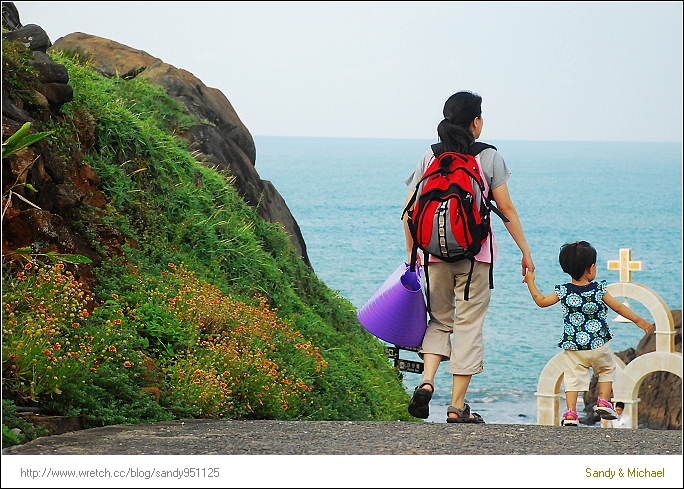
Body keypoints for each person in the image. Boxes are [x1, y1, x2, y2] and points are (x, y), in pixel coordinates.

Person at [404, 91, 535, 423]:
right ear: (476, 122)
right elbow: (505, 209)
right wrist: (525, 251)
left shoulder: (429, 157)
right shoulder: (488, 157)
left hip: (433, 256)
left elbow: (408, 212)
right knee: (468, 326)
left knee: (439, 321)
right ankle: (456, 407)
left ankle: (427, 382)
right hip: (476, 257)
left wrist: (413, 254)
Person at [522, 241, 653, 426]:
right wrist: (638, 320)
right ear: (591, 268)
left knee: (573, 379)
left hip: (574, 346)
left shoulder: (563, 291)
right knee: (607, 370)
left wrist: (530, 282)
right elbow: (618, 307)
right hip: (598, 344)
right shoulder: (599, 290)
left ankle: (570, 414)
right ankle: (603, 402)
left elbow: (541, 301)